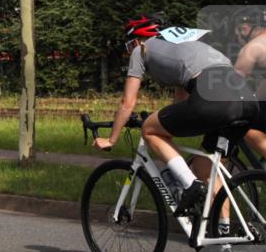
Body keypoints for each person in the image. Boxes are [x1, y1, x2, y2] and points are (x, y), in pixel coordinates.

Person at [92, 13, 259, 220]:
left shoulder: (141, 49)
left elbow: (128, 102)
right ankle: (223, 235)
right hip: (246, 99)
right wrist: (161, 118)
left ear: (137, 40)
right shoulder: (185, 45)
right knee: (205, 169)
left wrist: (111, 139)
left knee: (149, 130)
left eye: (129, 46)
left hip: (213, 99)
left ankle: (190, 186)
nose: (130, 52)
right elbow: (180, 107)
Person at [233, 6, 266, 159]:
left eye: (237, 30)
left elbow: (233, 84)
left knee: (249, 130)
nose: (236, 35)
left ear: (245, 27)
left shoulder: (252, 48)